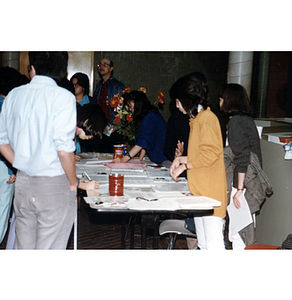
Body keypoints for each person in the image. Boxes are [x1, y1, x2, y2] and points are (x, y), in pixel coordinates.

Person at [0, 51, 96, 249]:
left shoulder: (14, 94)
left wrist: (18, 162)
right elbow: (64, 148)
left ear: (33, 68)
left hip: (23, 182)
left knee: (25, 248)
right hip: (54, 185)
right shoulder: (63, 97)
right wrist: (74, 182)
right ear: (62, 69)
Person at [169, 76, 227, 250]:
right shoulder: (197, 120)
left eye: (178, 102)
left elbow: (210, 155)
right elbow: (200, 155)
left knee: (214, 246)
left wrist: (184, 166)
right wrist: (180, 159)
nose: (177, 106)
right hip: (201, 194)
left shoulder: (207, 119)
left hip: (210, 195)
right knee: (203, 244)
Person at [219, 83, 267, 250]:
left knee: (240, 235)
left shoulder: (236, 122)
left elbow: (242, 158)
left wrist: (238, 190)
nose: (219, 102)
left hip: (243, 184)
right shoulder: (246, 120)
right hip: (249, 182)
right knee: (243, 232)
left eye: (221, 98)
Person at [0, 66, 25, 249]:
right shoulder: (9, 107)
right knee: (0, 213)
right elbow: (11, 140)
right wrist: (13, 168)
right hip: (1, 165)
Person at [112, 90, 168, 165]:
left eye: (131, 107)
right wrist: (140, 158)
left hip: (162, 159)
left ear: (137, 105)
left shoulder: (149, 117)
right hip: (159, 158)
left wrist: (124, 159)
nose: (130, 109)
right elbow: (147, 139)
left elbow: (143, 141)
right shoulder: (150, 114)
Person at [93, 58, 125, 125]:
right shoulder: (99, 84)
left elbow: (122, 108)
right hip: (99, 123)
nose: (101, 67)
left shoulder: (117, 85)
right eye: (100, 64)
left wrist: (117, 124)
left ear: (111, 69)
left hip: (112, 124)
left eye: (105, 65)